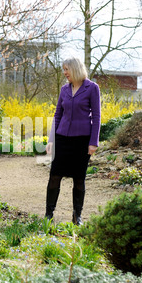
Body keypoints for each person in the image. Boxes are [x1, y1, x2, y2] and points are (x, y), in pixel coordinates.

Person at [45, 57, 101, 225]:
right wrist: (51, 139)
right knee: (54, 175)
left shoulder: (92, 88)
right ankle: (49, 214)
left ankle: (77, 216)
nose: (65, 73)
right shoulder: (64, 89)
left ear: (76, 69)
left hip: (82, 141)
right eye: (63, 69)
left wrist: (93, 142)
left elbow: (97, 117)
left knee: (79, 178)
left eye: (67, 69)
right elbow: (58, 115)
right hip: (62, 139)